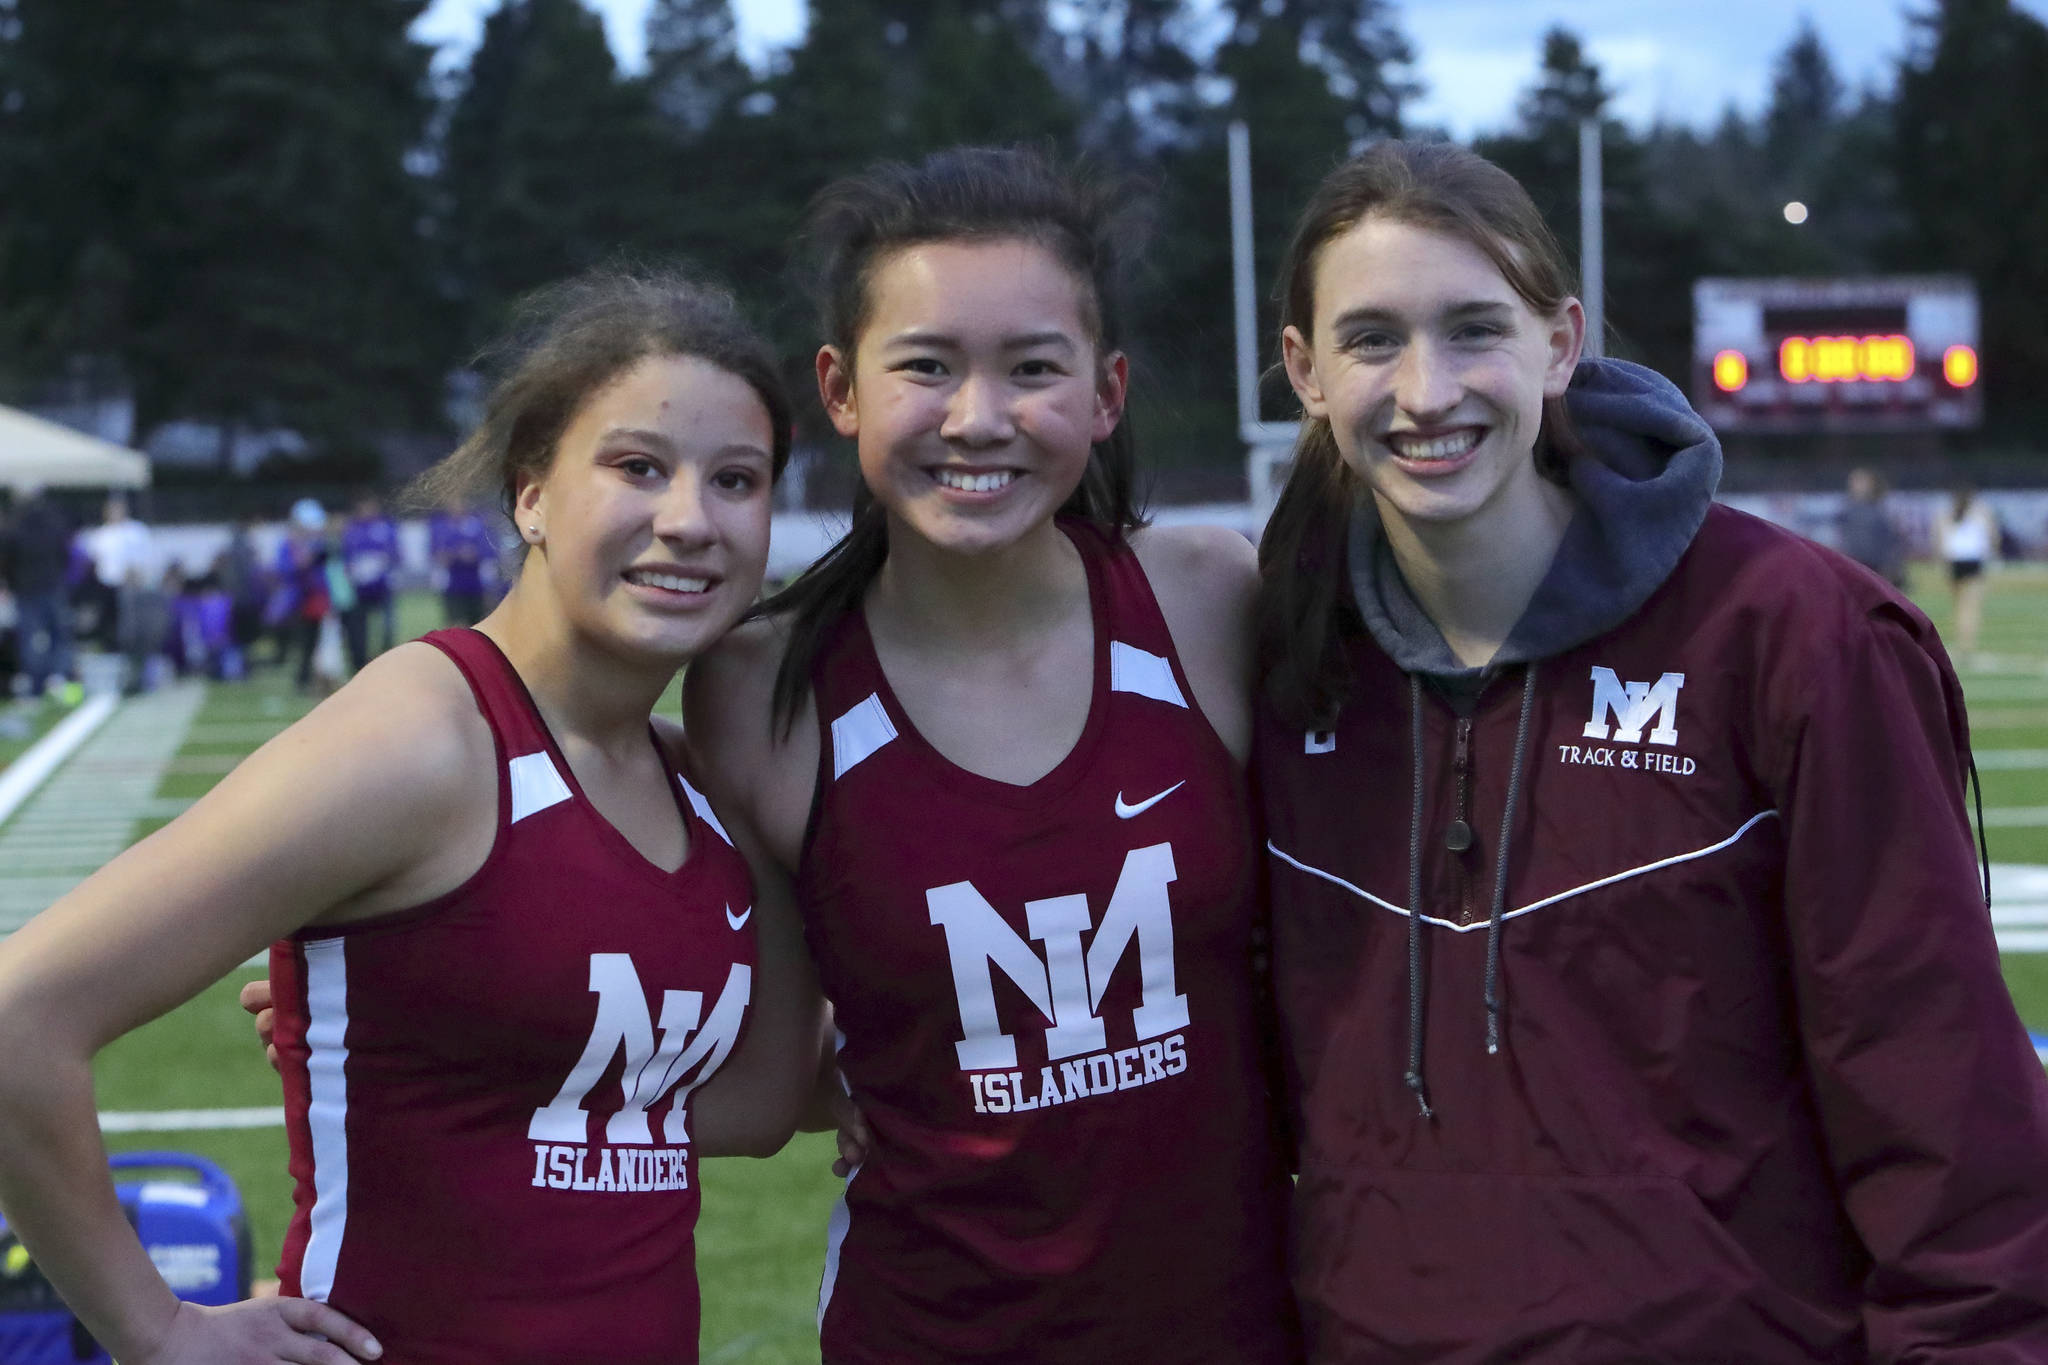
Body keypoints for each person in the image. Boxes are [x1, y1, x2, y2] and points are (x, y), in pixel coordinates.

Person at [1255, 138, 2048, 1361]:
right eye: (1370, 340)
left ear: (1560, 343)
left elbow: (1940, 1101)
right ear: (1303, 370)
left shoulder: (1793, 633)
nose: (1424, 391)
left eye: (1474, 329)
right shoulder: (1276, 656)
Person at [0, 268, 822, 1365]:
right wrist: (155, 1331)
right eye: (636, 467)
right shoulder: (427, 735)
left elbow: (737, 1110)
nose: (689, 520)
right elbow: (20, 1015)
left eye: (736, 480)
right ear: (530, 492)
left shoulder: (691, 779)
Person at [684, 146, 1298, 1363]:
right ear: (840, 387)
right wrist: (446, 1021)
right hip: (925, 1330)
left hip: (1239, 1327)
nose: (977, 418)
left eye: (1031, 369)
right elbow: (772, 1074)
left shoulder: (1205, 598)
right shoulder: (760, 688)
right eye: (924, 366)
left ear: (1106, 392)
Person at [2, 484, 77, 698]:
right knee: (60, 637)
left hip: (26, 590)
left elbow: (6, 559)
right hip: (53, 586)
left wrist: (10, 583)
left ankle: (36, 687)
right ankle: (60, 682)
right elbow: (64, 554)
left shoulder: (13, 525)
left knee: (30, 640)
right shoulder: (54, 521)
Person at [1934, 482, 2000, 659]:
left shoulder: (1946, 512)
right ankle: (1966, 644)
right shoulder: (1981, 511)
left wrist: (1942, 561)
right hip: (1973, 561)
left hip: (1954, 561)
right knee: (1970, 607)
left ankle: (1960, 642)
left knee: (1958, 606)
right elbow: (1992, 536)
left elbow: (1939, 539)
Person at [339, 493, 400, 670]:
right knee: (361, 628)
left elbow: (395, 552)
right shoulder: (352, 529)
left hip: (383, 586)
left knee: (386, 626)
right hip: (360, 589)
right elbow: (347, 555)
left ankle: (388, 659)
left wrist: (382, 562)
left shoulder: (385, 526)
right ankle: (362, 662)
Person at [1838, 466, 1905, 589]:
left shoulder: (1881, 510)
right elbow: (1842, 536)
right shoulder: (1845, 509)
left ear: (1871, 484)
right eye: (1854, 481)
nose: (1856, 485)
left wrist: (1892, 565)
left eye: (1861, 482)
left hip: (1876, 565)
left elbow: (1891, 539)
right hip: (1852, 563)